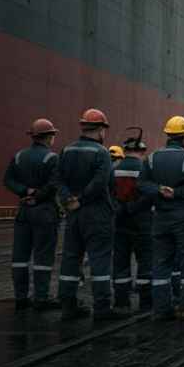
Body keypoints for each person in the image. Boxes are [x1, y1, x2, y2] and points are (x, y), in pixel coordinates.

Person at [139, 115, 184, 321]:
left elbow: (142, 184)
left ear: (168, 135)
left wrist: (159, 189)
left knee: (161, 262)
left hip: (161, 217)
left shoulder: (152, 158)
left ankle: (161, 309)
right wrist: (179, 193)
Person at [56, 108, 128, 321]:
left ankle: (68, 305)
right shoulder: (102, 153)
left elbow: (57, 179)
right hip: (97, 213)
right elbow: (100, 182)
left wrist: (69, 199)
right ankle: (102, 308)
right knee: (100, 260)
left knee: (70, 259)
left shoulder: (66, 150)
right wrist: (82, 199)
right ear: (101, 130)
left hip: (73, 214)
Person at [3, 118, 61, 311]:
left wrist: (24, 191)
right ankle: (41, 298)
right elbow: (54, 184)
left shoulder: (19, 156)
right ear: (49, 137)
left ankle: (20, 297)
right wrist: (38, 195)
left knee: (20, 256)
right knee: (43, 257)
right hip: (44, 212)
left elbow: (8, 180)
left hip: (24, 211)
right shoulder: (52, 158)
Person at [112, 131, 154, 310]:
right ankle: (145, 301)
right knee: (145, 260)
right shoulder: (146, 169)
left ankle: (121, 301)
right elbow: (151, 193)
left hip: (119, 221)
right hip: (143, 221)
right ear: (142, 151)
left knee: (120, 261)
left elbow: (107, 193)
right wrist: (134, 207)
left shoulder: (113, 169)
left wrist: (121, 208)